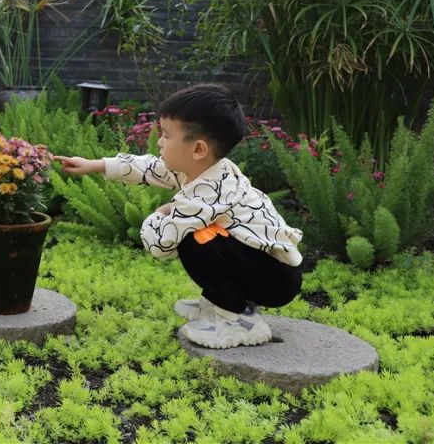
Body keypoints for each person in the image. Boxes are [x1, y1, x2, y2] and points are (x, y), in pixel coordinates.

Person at [54, 84, 303, 349]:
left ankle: (236, 320)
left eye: (165, 135)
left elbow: (161, 243)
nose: (159, 142)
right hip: (266, 267)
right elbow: (150, 167)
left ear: (198, 149)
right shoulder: (205, 168)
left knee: (194, 243)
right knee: (205, 237)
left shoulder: (208, 192)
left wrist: (161, 213)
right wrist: (96, 165)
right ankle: (219, 304)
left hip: (275, 281)